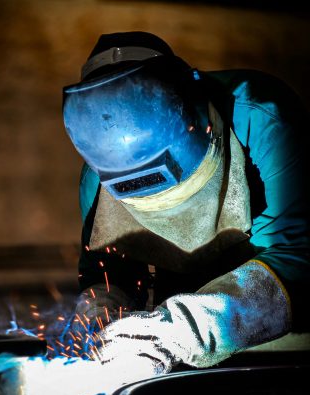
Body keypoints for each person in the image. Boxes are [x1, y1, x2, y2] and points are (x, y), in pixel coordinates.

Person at [62, 31, 309, 374]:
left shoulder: (262, 119)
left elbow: (300, 257)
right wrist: (100, 312)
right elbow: (108, 274)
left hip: (290, 341)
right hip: (182, 345)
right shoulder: (96, 182)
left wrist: (186, 328)